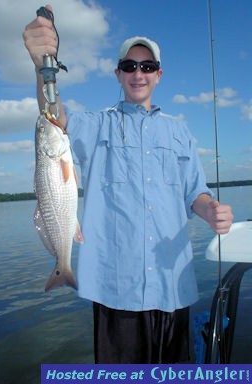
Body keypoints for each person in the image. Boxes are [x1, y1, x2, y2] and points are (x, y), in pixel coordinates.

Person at [23, 5, 233, 364]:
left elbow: (194, 193)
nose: (139, 73)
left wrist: (210, 210)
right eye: (130, 66)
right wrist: (43, 65)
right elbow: (52, 115)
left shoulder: (179, 131)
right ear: (117, 74)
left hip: (172, 286)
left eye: (147, 66)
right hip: (115, 291)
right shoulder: (95, 125)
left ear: (159, 74)